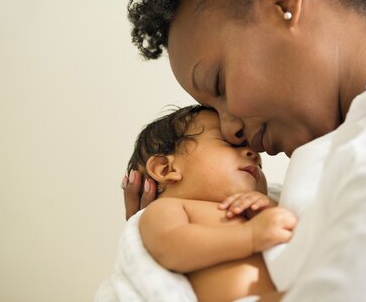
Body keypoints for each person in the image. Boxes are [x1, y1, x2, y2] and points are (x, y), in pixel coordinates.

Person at [122, 0, 366, 301]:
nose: (230, 131)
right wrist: (171, 266)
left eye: (219, 84)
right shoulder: (338, 150)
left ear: (282, 0)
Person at [124, 104, 296, 302]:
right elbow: (171, 248)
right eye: (230, 144)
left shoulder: (265, 204)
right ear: (166, 169)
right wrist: (249, 236)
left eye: (260, 164)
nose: (254, 154)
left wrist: (270, 210)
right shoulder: (166, 208)